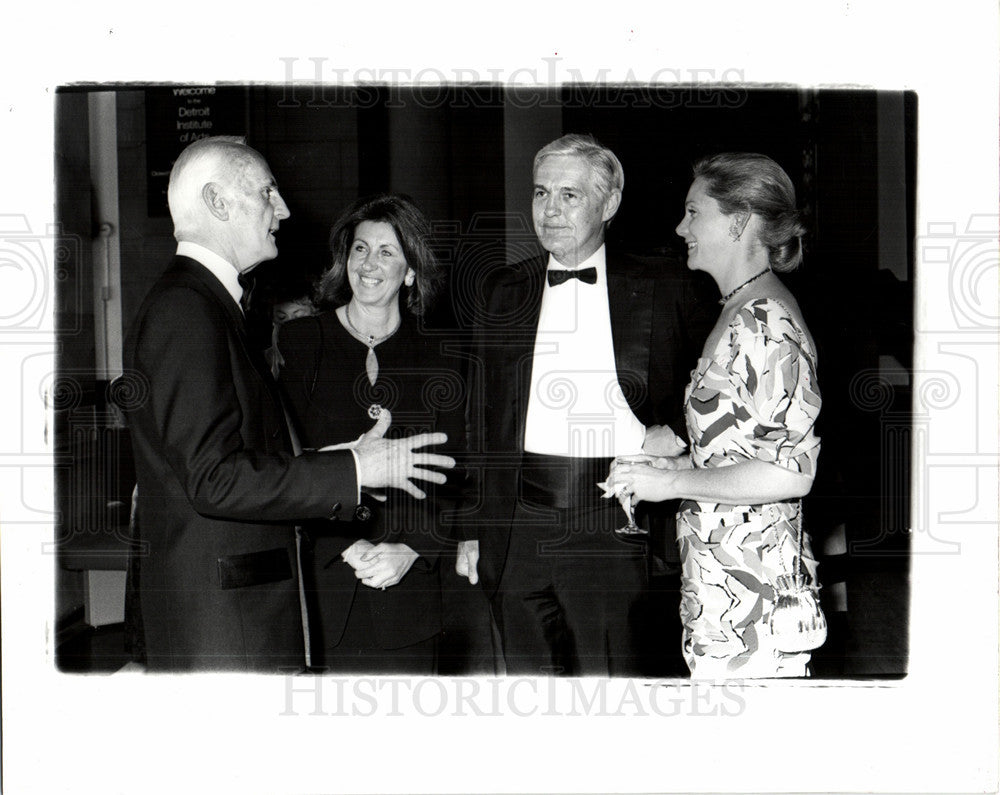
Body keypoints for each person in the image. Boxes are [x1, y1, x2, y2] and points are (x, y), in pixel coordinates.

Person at [123, 137, 454, 672]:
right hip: (225, 627)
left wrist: (343, 463)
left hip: (248, 617)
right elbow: (213, 478)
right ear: (218, 202)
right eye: (267, 192)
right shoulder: (186, 309)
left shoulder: (208, 306)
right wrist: (352, 469)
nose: (284, 208)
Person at [456, 134, 715, 676]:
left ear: (609, 203)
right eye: (541, 193)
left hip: (612, 524)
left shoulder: (664, 283)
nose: (550, 211)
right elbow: (481, 419)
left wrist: (677, 436)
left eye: (569, 195)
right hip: (517, 526)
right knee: (530, 691)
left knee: (610, 684)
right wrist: (473, 528)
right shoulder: (503, 290)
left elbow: (717, 390)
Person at [607, 152, 823, 679]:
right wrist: (673, 465)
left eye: (693, 212)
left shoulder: (766, 322)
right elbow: (740, 446)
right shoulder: (737, 308)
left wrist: (677, 481)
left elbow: (792, 472)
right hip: (722, 585)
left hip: (757, 598)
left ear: (740, 221)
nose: (681, 227)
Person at [277, 194, 465, 674]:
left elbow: (460, 474)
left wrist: (413, 548)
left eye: (387, 252)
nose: (369, 264)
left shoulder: (443, 356)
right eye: (361, 249)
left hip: (412, 592)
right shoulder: (302, 343)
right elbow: (283, 464)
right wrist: (341, 544)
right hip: (325, 586)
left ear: (409, 272)